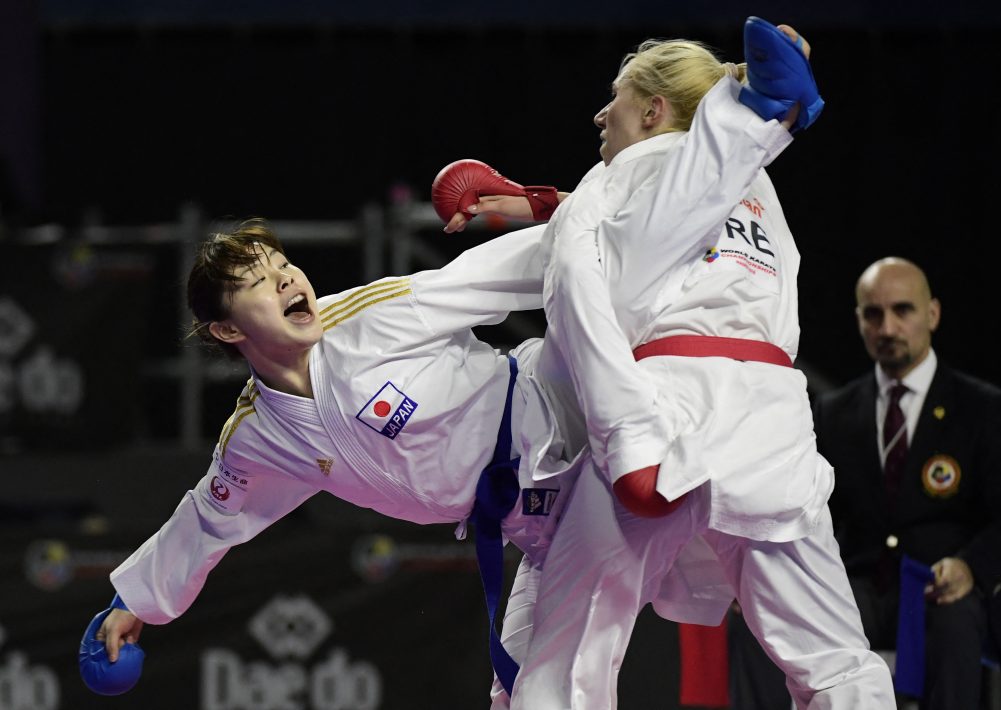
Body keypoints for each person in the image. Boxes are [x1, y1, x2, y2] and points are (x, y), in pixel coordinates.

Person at [89, 34, 810, 705]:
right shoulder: (258, 439)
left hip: (568, 413)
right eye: (259, 282)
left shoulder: (365, 319)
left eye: (283, 265)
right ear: (224, 328)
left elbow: (492, 276)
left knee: (705, 591)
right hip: (530, 514)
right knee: (531, 693)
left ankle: (754, 114)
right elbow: (208, 521)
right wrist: (136, 605)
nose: (285, 280)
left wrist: (550, 215)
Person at [460, 19, 897, 709]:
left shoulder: (627, 173)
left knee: (566, 661)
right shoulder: (750, 179)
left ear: (657, 110)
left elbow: (598, 246)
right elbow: (668, 208)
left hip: (665, 409)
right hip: (772, 426)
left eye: (618, 97)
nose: (601, 114)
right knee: (838, 662)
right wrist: (766, 97)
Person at [812, 257, 1001, 708]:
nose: (886, 327)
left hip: (950, 594)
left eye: (902, 310)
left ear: (933, 314)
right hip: (861, 591)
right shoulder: (831, 413)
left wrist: (970, 568)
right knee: (781, 618)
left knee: (952, 619)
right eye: (873, 314)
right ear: (858, 320)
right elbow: (819, 515)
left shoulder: (985, 410)